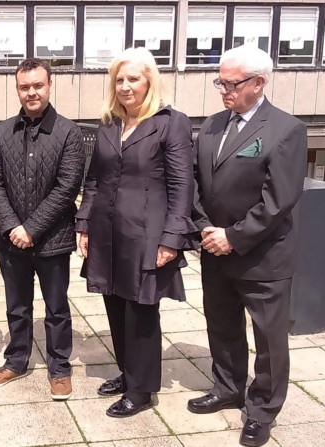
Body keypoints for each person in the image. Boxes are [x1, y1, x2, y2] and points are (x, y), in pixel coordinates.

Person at [189, 45, 307, 447]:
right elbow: (195, 183)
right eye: (220, 81)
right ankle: (227, 387)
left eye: (232, 83)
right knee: (221, 327)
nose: (224, 90)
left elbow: (279, 199)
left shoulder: (287, 129)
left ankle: (262, 410)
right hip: (214, 250)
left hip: (262, 256)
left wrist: (233, 237)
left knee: (268, 341)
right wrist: (206, 227)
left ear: (259, 83)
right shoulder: (212, 125)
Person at [75, 47, 197, 418]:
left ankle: (141, 390)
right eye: (120, 80)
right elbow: (94, 179)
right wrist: (84, 224)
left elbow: (182, 185)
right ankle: (129, 374)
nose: (126, 86)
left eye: (133, 79)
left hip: (148, 234)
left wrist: (172, 239)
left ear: (149, 81)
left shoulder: (170, 122)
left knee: (141, 310)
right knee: (114, 302)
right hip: (108, 232)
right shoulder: (110, 122)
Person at [0, 58, 85, 400]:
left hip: (52, 240)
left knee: (56, 308)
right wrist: (13, 226)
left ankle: (59, 368)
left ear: (49, 85)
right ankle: (16, 360)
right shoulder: (0, 133)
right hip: (11, 240)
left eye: (38, 85)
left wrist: (31, 228)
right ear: (17, 89)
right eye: (25, 87)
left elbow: (67, 186)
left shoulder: (69, 132)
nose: (32, 93)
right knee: (17, 306)